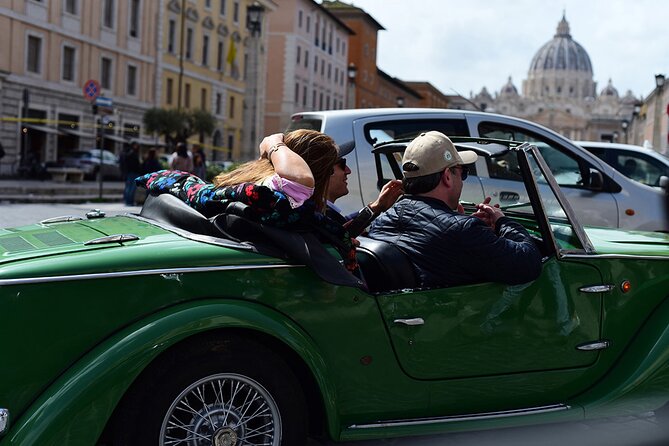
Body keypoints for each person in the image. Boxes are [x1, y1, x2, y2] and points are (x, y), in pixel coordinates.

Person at [368, 131, 542, 288]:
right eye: (463, 172)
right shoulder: (463, 232)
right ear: (447, 177)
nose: (463, 179)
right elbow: (528, 264)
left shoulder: (383, 219)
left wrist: (463, 223)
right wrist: (502, 221)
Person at [325, 142, 403, 236]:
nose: (348, 171)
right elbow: (341, 235)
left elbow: (342, 226)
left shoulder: (316, 216)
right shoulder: (316, 219)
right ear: (324, 171)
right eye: (342, 164)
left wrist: (376, 206)